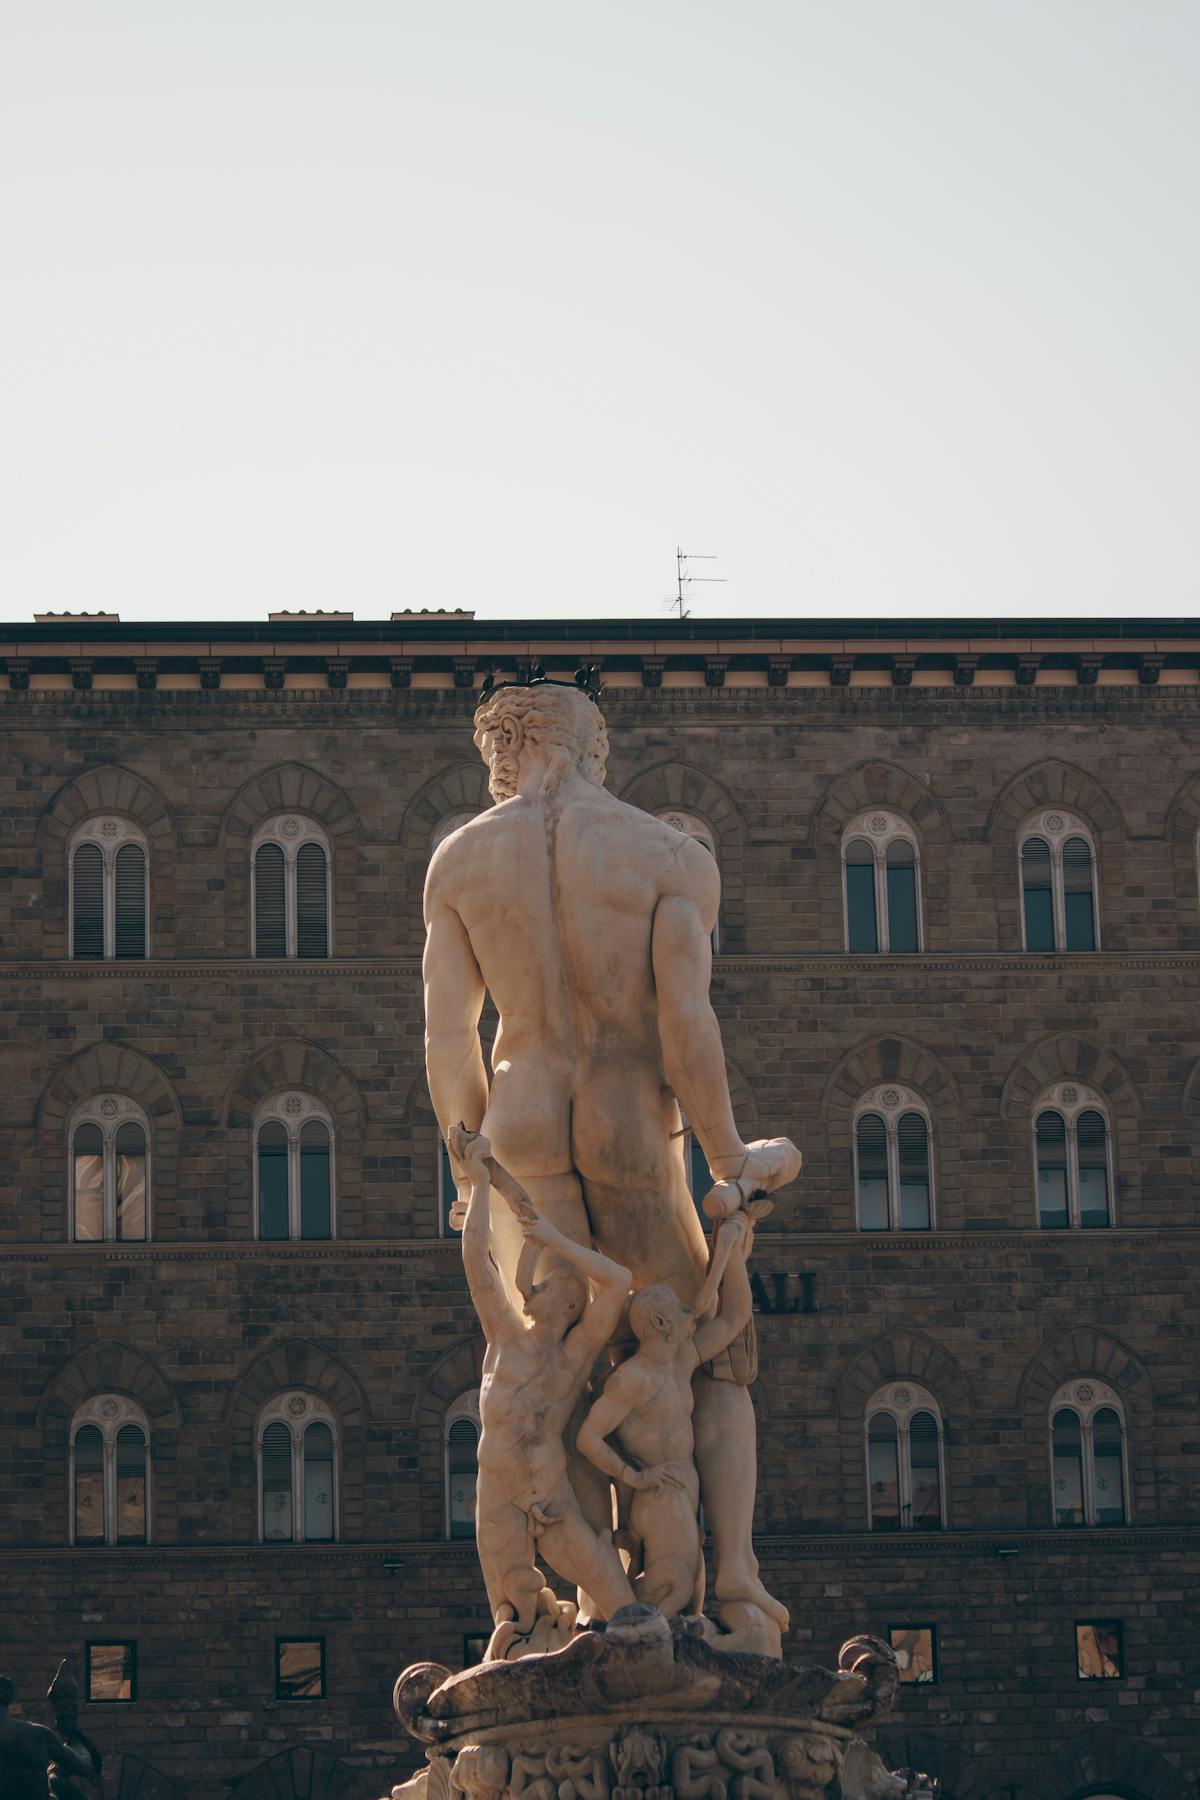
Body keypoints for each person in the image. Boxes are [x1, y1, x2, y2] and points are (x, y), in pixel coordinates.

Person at [423, 677, 800, 1635]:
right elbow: (686, 1024)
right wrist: (727, 1157)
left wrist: (471, 1171)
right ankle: (735, 1583)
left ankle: (601, 1606)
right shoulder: (663, 854)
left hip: (522, 1120)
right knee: (701, 1356)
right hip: (627, 1116)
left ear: (504, 753)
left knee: (560, 1369)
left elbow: (449, 1038)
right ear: (596, 748)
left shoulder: (460, 860)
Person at [452, 1125, 637, 1660]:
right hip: (499, 1490)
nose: (533, 1289)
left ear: (569, 1306)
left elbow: (619, 1281)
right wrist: (480, 1183)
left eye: (550, 1285)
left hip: (549, 1491)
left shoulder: (572, 1358)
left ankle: (642, 1658)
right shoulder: (504, 1334)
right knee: (509, 1617)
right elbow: (476, 1259)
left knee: (620, 1600)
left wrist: (555, 1242)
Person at [577, 1210, 756, 1618]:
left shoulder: (681, 1362)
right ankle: (622, 1633)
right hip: (658, 1498)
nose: (688, 1311)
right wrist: (635, 1477)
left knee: (687, 1596)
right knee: (674, 1589)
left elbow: (735, 1317)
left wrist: (734, 1256)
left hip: (682, 1493)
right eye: (678, 1308)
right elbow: (587, 1438)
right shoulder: (632, 1380)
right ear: (660, 1322)